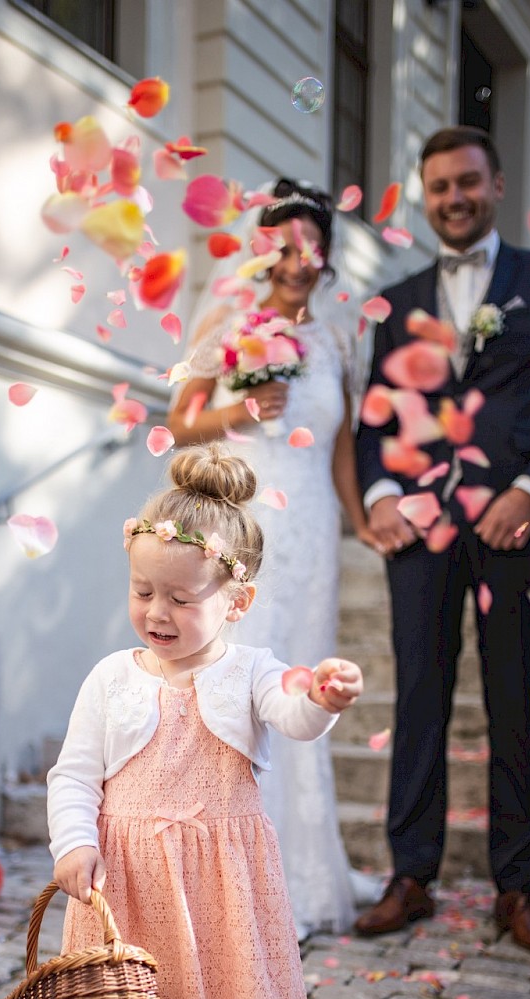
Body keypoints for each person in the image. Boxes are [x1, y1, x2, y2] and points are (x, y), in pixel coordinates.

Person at [48, 445, 363, 999]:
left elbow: (291, 716)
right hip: (128, 893)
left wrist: (323, 700)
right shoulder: (112, 679)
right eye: (142, 590)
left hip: (216, 898)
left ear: (237, 601)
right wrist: (74, 842)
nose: (154, 610)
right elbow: (75, 774)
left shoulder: (252, 671)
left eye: (180, 598)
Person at [355, 126, 530, 956]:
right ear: (425, 196)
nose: (454, 199)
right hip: (421, 535)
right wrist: (382, 495)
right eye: (438, 188)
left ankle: (516, 887)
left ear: (497, 184)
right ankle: (412, 876)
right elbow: (375, 419)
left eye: (467, 182)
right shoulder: (398, 303)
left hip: (516, 528)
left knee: (516, 703)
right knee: (419, 697)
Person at [168, 178, 379, 940]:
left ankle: (301, 869)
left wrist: (364, 521)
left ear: (325, 259)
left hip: (315, 530)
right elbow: (180, 419)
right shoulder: (230, 320)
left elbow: (345, 447)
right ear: (265, 252)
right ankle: (227, 879)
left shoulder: (337, 340)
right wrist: (240, 410)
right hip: (248, 524)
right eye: (284, 246)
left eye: (311, 247)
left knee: (300, 683)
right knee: (237, 683)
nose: (298, 260)